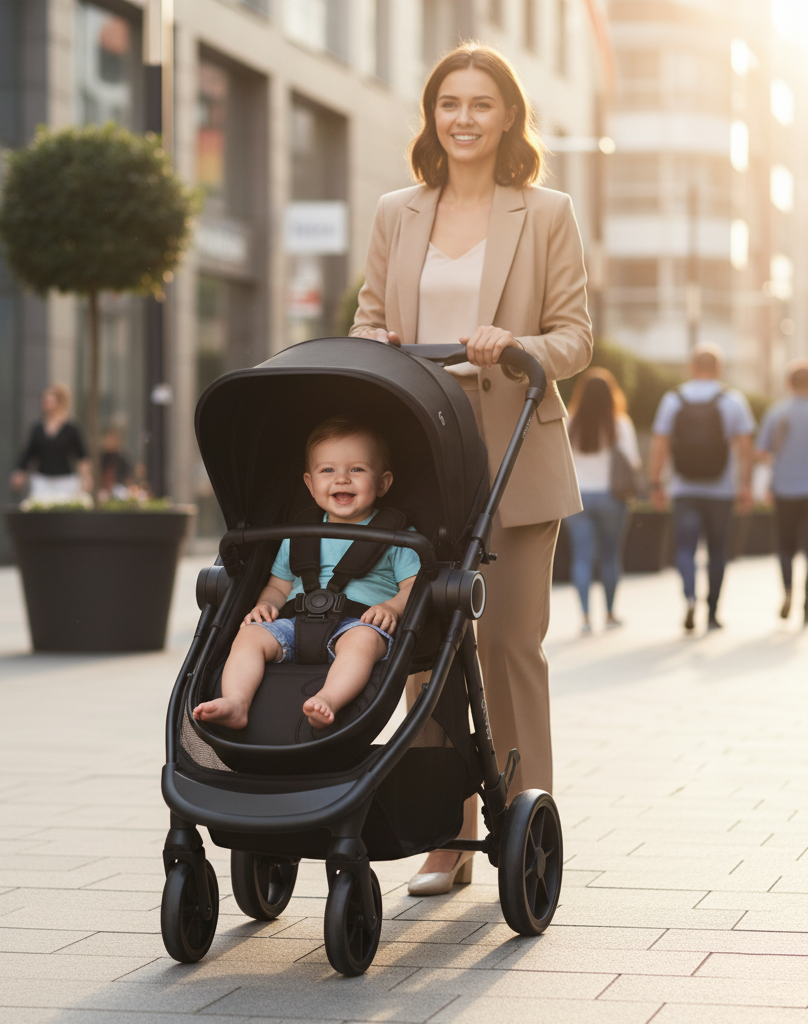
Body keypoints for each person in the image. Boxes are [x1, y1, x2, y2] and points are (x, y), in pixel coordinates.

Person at [349, 44, 592, 894]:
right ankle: (442, 833)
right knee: (426, 644)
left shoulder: (546, 211)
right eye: (449, 102)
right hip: (424, 452)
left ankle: (527, 820)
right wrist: (371, 341)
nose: (462, 117)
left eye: (480, 103)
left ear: (508, 117)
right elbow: (370, 316)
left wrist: (520, 346)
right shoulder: (396, 213)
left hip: (517, 450)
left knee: (509, 642)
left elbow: (575, 334)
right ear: (431, 115)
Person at [193, 418, 420, 731]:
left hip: (358, 623)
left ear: (383, 483)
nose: (342, 479)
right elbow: (279, 584)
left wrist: (391, 607)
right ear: (310, 483)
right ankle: (236, 701)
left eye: (356, 469)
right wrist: (266, 604)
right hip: (294, 624)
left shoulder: (397, 536)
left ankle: (328, 698)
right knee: (249, 635)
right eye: (328, 470)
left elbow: (415, 586)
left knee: (363, 643)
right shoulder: (299, 534)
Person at [648, 343, 755, 632]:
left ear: (692, 368)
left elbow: (660, 445)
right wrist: (746, 486)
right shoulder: (732, 400)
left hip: (684, 489)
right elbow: (746, 448)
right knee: (718, 551)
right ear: (718, 369)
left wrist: (656, 483)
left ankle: (690, 598)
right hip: (721, 491)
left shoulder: (674, 399)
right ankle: (712, 612)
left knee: (685, 548)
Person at [563, 368, 642, 633]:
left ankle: (585, 618)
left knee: (582, 558)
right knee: (610, 556)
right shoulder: (620, 423)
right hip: (612, 498)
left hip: (578, 498)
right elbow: (632, 462)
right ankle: (609, 614)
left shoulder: (569, 420)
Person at [756, 358, 808, 624]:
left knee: (786, 546)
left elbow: (762, 452)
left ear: (789, 382)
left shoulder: (777, 412)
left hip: (784, 488)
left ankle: (788, 591)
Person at [11, 383, 93, 499]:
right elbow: (29, 453)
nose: (47, 404)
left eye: (51, 401)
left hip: (65, 481)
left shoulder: (71, 429)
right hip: (42, 480)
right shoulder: (37, 429)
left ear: (59, 403)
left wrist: (86, 477)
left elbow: (81, 455)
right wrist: (20, 472)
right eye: (45, 400)